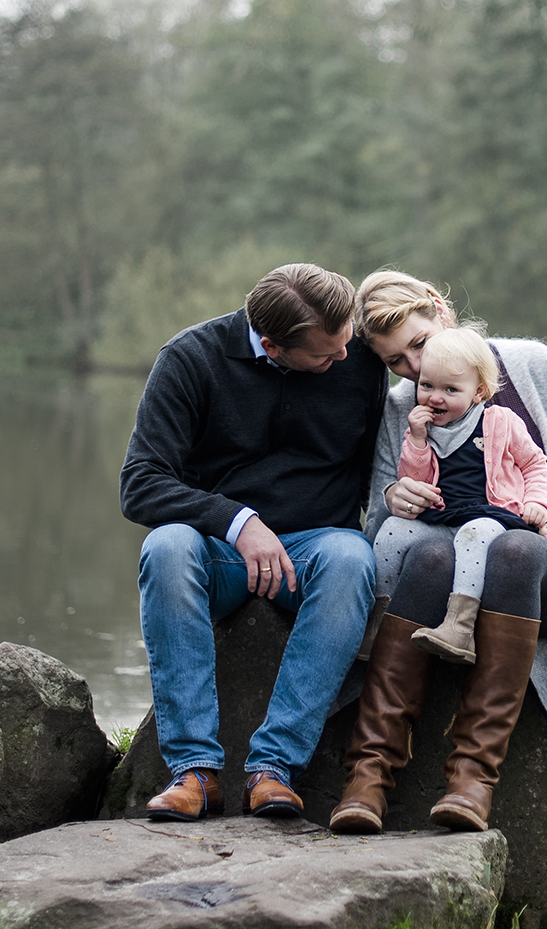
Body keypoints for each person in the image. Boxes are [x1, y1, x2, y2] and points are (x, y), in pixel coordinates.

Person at [330, 271, 547, 835]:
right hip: (446, 571)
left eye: (419, 344)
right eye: (397, 362)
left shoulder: (534, 367)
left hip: (541, 567)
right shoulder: (405, 408)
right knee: (425, 557)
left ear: (442, 313)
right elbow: (378, 520)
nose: (417, 371)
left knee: (515, 550)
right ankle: (367, 776)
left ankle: (472, 778)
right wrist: (395, 496)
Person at [119, 263, 382, 823]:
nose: (343, 360)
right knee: (166, 547)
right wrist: (238, 522)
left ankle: (272, 769)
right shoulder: (192, 358)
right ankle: (195, 772)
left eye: (346, 345)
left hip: (316, 549)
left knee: (352, 558)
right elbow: (140, 484)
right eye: (325, 355)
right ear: (271, 345)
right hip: (218, 552)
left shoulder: (356, 356)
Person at [375, 326, 547, 665]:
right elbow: (412, 480)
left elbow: (534, 463)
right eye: (426, 386)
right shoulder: (422, 430)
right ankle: (381, 616)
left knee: (476, 534)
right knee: (392, 531)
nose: (435, 397)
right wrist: (415, 441)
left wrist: (536, 502)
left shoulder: (499, 421)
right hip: (441, 518)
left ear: (478, 392)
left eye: (450, 389)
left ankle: (459, 625)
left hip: (490, 516)